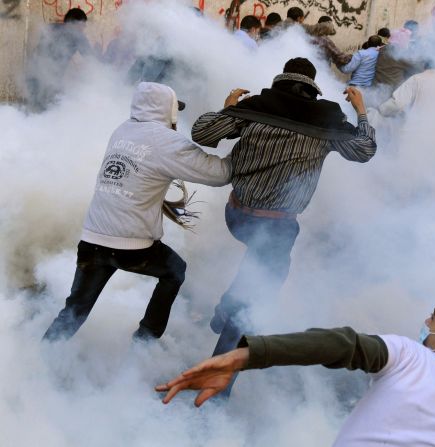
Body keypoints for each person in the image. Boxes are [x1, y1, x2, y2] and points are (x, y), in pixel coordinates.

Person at [156, 288, 435, 446]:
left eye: (432, 318)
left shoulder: (410, 354)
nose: (424, 323)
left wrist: (243, 356)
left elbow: (342, 344)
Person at [191, 57, 376, 359]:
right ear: (314, 88)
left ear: (281, 80)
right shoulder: (327, 119)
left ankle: (224, 309)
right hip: (276, 226)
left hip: (236, 215)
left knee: (257, 265)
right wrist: (361, 111)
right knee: (256, 296)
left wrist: (228, 107)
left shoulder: (257, 107)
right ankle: (220, 372)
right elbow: (365, 150)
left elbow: (202, 133)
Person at [43, 82, 232, 342]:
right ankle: (145, 338)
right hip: (132, 247)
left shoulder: (121, 130)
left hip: (92, 240)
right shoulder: (166, 141)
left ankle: (43, 359)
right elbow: (220, 173)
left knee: (74, 310)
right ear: (168, 112)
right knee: (174, 271)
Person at [25, 8, 93, 111]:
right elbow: (90, 57)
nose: (84, 27)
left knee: (36, 111)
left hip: (35, 74)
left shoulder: (50, 28)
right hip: (46, 79)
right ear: (74, 23)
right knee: (50, 110)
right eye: (82, 24)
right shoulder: (78, 36)